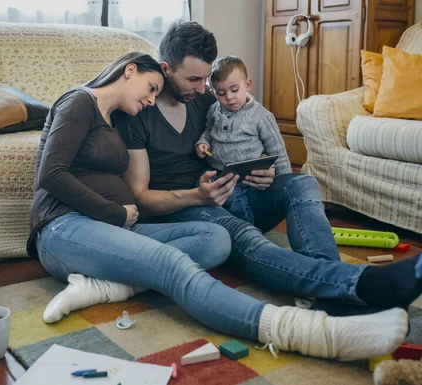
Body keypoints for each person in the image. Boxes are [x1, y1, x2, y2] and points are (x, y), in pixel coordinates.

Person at [37, 22, 422, 361]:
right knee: (227, 242)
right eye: (192, 80)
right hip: (172, 207)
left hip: (225, 191)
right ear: (159, 69)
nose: (203, 89)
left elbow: (246, 118)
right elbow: (112, 186)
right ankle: (342, 296)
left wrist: (259, 170)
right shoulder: (124, 110)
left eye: (207, 80)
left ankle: (332, 289)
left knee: (295, 187)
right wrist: (180, 199)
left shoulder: (205, 98)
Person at [195, 55, 291, 223]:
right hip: (217, 172)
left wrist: (284, 181)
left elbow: (277, 150)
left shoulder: (261, 116)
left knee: (237, 204)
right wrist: (202, 143)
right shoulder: (214, 111)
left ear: (247, 85)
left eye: (234, 90)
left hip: (246, 177)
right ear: (213, 93)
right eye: (221, 93)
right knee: (201, 189)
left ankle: (247, 234)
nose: (229, 97)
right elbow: (208, 131)